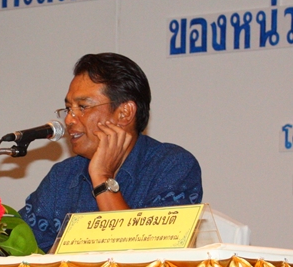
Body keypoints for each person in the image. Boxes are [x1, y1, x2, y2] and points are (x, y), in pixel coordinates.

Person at [20, 52, 202, 253]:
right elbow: (16, 248)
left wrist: (101, 177)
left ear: (124, 113)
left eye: (82, 107)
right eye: (68, 108)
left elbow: (149, 263)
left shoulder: (172, 166)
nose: (69, 120)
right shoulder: (62, 177)